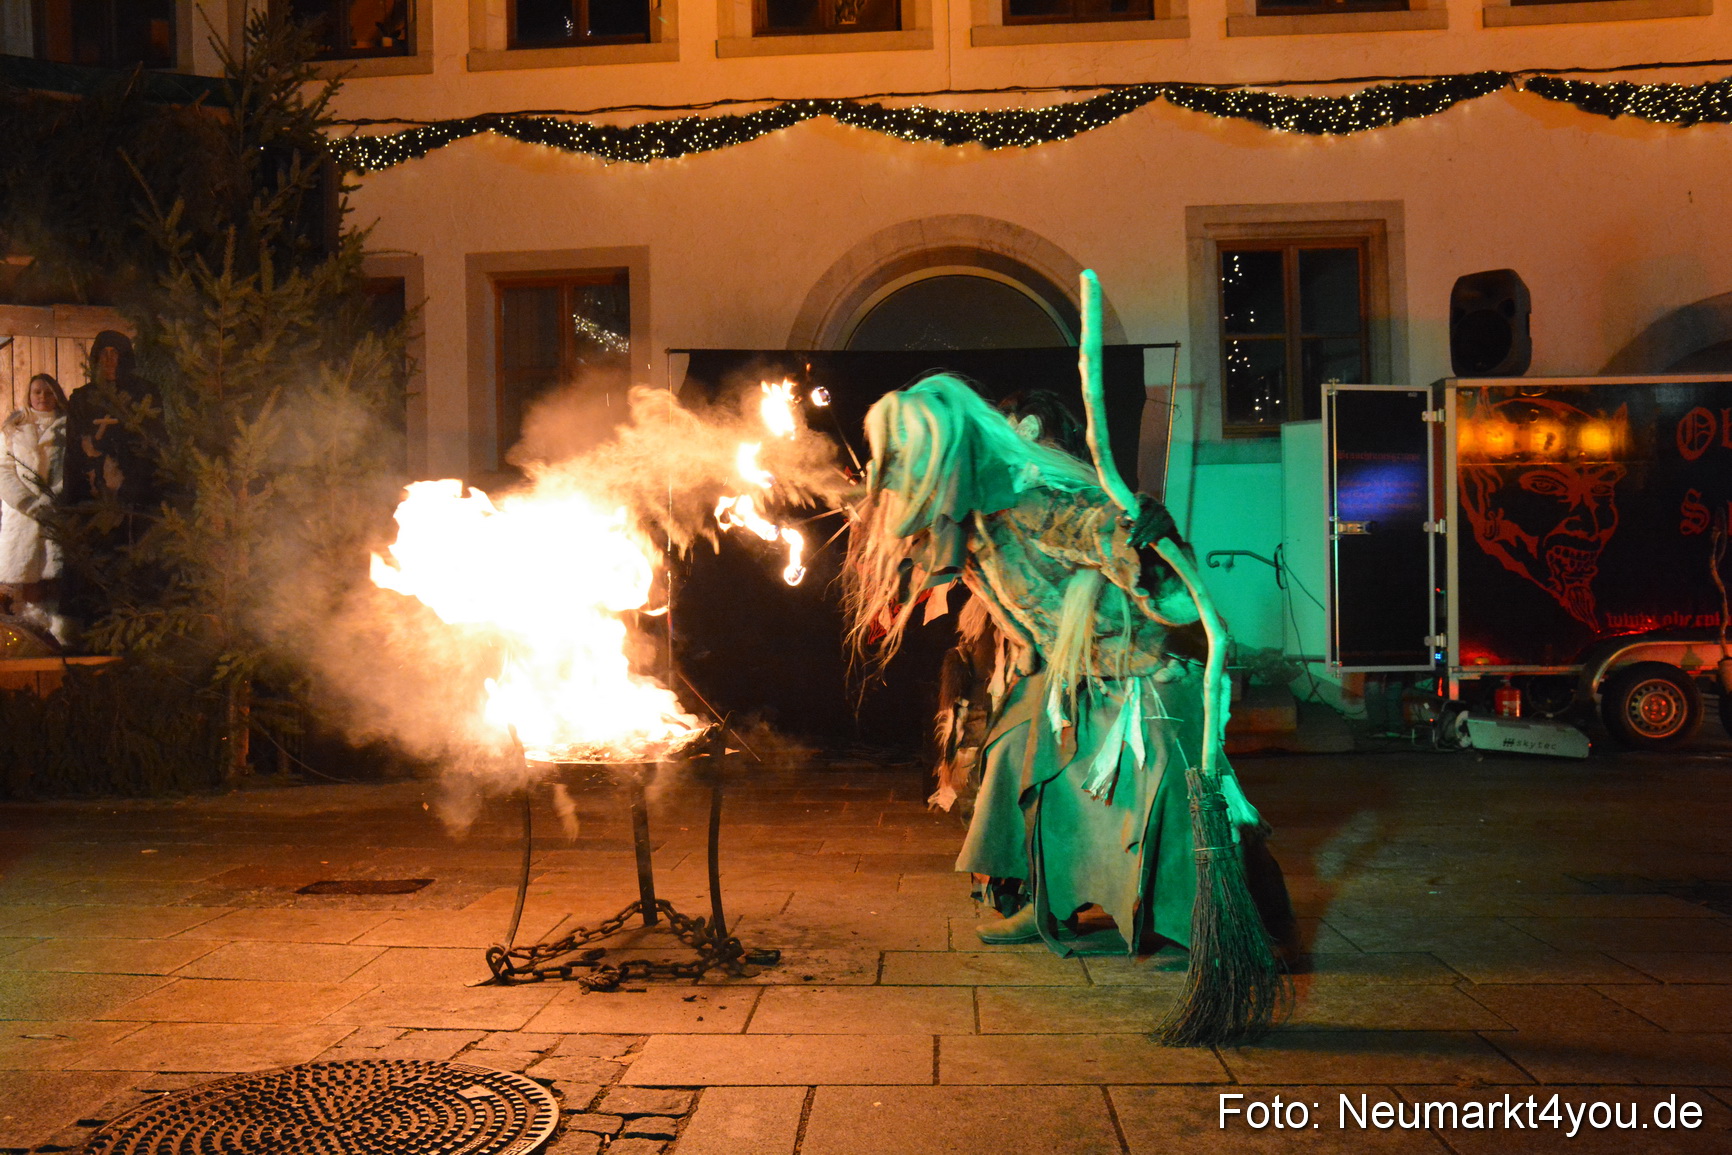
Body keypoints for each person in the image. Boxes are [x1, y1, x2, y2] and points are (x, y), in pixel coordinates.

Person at [846, 374, 1292, 957]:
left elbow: (1104, 539)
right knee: (1014, 758)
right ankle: (1047, 902)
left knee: (1179, 791)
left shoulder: (1034, 501)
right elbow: (924, 557)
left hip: (1140, 673)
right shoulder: (962, 522)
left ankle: (1254, 925)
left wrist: (1150, 546)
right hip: (1066, 677)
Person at [0, 373, 70, 643]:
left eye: (48, 392)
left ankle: (59, 637)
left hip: (57, 513)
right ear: (28, 396)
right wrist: (28, 503)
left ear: (57, 395)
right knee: (26, 580)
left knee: (55, 578)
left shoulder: (69, 427)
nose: (42, 397)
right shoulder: (13, 428)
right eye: (36, 392)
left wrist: (54, 499)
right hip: (23, 517)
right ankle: (30, 637)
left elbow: (72, 468)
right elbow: (4, 471)